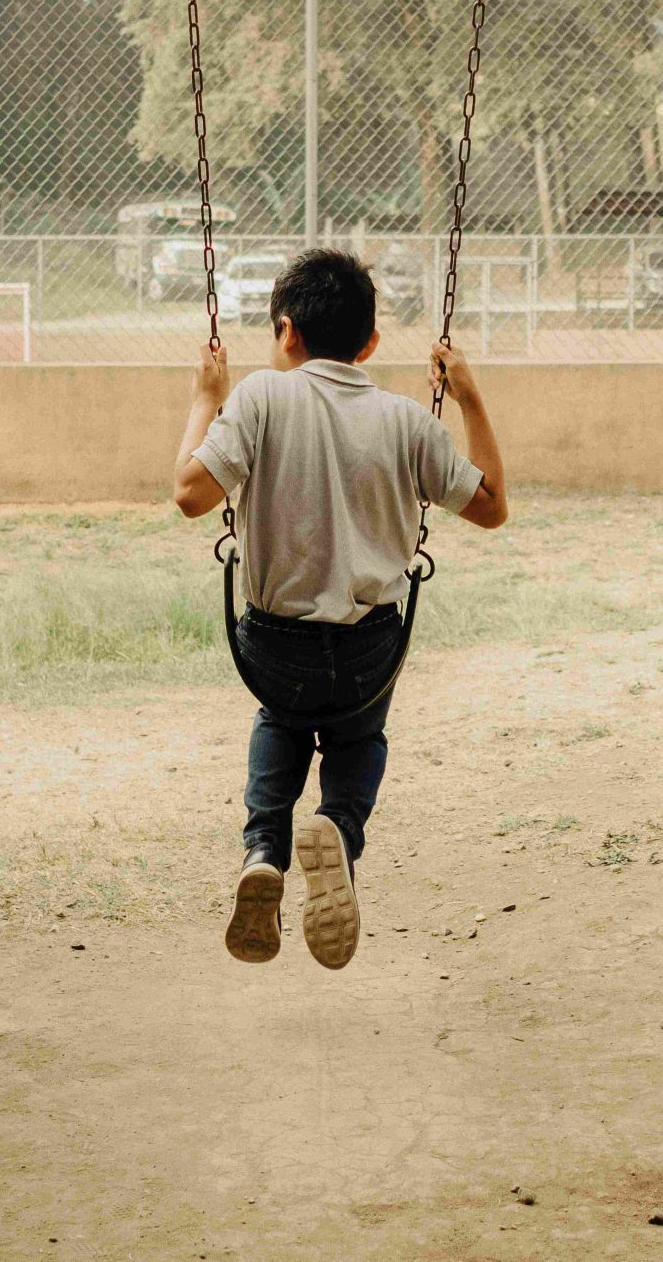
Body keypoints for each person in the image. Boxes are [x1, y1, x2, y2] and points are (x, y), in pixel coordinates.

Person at [171, 249, 509, 970]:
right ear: (372, 344)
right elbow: (491, 508)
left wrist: (206, 396)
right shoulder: (406, 421)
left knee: (281, 719)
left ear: (286, 332)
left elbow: (190, 493)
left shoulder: (259, 397)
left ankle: (265, 847)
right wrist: (470, 398)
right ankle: (337, 828)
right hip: (369, 647)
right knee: (358, 741)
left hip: (274, 644)